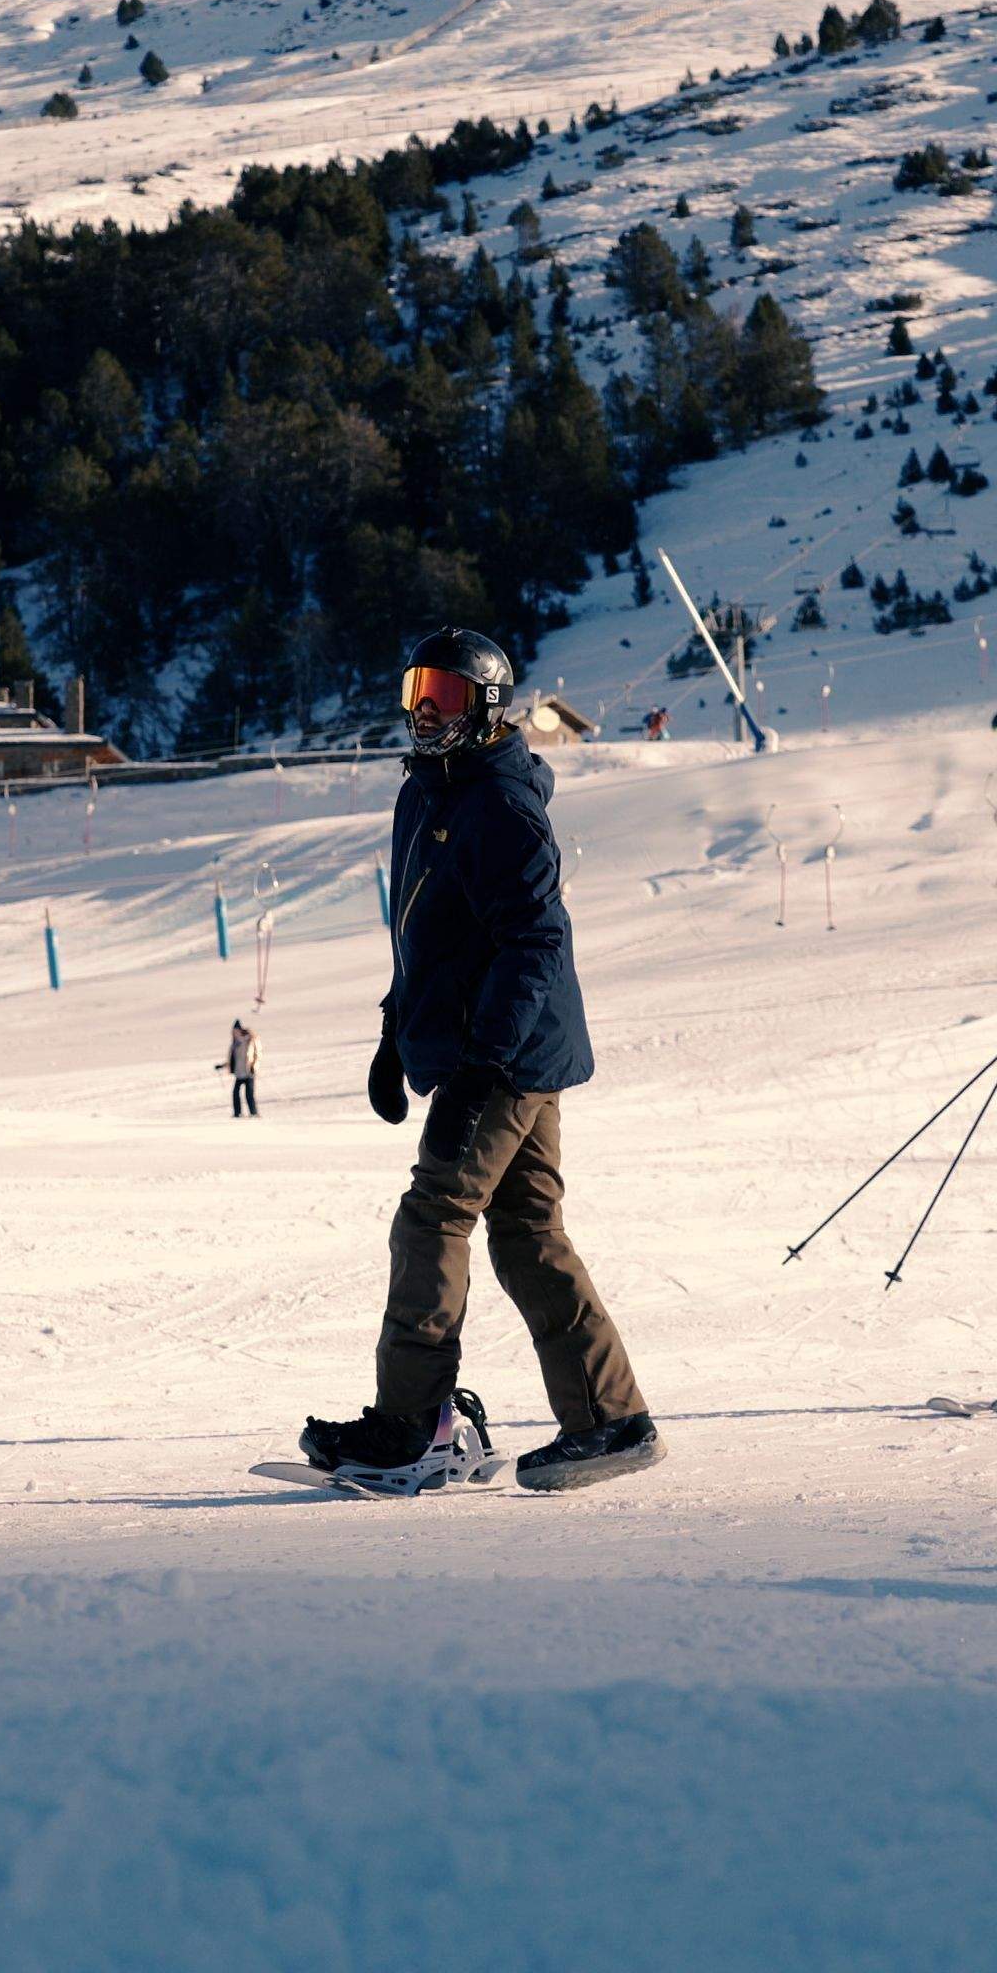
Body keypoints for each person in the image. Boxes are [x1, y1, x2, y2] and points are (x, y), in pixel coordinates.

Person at [299, 626, 661, 1495]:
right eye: (417, 691)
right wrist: (395, 1032)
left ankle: (412, 1428)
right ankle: (611, 1420)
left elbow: (535, 942)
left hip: (506, 1055)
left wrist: (479, 1069)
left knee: (432, 1217)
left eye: (447, 695)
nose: (426, 711)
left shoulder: (499, 804)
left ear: (489, 708)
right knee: (528, 1232)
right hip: (494, 1048)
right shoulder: (427, 793)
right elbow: (426, 938)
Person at [221, 1016, 260, 1119]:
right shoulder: (234, 1045)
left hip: (248, 1072)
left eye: (235, 1031)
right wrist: (223, 1066)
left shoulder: (249, 1040)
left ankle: (253, 1113)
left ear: (239, 1030)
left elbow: (257, 1054)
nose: (234, 1033)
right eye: (233, 1032)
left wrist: (254, 1066)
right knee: (235, 1093)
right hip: (239, 1072)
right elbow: (232, 1059)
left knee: (249, 1094)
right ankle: (237, 1113)